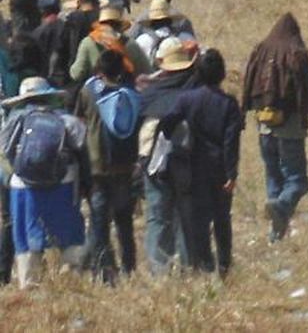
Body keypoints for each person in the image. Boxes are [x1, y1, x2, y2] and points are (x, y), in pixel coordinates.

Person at [241, 13, 308, 243]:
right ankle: (282, 206)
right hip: (290, 126)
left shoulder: (260, 50)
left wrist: (243, 113)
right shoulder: (297, 53)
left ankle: (275, 233)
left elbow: (247, 82)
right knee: (297, 181)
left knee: (273, 176)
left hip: (264, 125)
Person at [1, 76, 88, 287]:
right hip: (63, 183)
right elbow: (82, 151)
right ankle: (71, 272)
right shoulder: (68, 121)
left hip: (23, 186)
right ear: (49, 97)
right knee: (69, 228)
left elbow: (5, 151)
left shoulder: (14, 121)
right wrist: (86, 184)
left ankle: (29, 279)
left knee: (26, 231)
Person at [162, 48, 242, 275]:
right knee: (221, 219)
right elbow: (230, 142)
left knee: (199, 219)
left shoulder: (187, 99)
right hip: (219, 170)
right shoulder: (229, 103)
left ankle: (204, 264)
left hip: (193, 167)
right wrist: (231, 174)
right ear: (223, 74)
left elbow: (167, 124)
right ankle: (224, 264)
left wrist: (180, 139)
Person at [75, 49, 141, 282]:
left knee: (99, 222)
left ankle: (103, 272)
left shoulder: (88, 92)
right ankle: (129, 268)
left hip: (97, 167)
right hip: (125, 165)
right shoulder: (132, 94)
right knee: (125, 221)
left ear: (100, 71)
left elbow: (79, 121)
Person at [138, 37, 197, 274]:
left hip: (153, 161)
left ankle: (158, 270)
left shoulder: (151, 93)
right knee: (185, 215)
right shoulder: (195, 91)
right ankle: (186, 266)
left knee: (157, 215)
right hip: (187, 159)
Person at [71, 2, 152, 83]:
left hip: (99, 91)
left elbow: (77, 74)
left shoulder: (88, 42)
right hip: (126, 90)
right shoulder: (130, 44)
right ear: (119, 26)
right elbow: (147, 70)